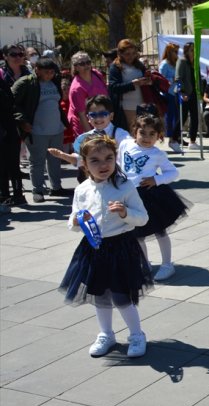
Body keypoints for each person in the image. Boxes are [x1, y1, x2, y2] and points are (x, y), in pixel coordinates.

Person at [59, 136, 152, 358]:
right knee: (99, 295)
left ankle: (137, 335)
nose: (103, 165)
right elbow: (74, 216)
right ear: (84, 163)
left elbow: (143, 218)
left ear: (115, 158)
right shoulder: (82, 190)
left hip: (121, 248)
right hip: (93, 249)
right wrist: (73, 221)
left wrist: (125, 213)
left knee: (121, 296)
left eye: (108, 158)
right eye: (95, 160)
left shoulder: (124, 186)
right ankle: (106, 334)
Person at [119, 115, 189, 281]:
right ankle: (144, 263)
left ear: (159, 136)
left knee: (160, 231)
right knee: (137, 233)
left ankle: (167, 265)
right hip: (129, 195)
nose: (147, 138)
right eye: (142, 133)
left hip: (149, 196)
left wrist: (156, 180)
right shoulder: (125, 144)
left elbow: (173, 172)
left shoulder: (157, 154)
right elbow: (119, 163)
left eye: (152, 134)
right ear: (135, 132)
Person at [11, 57, 70, 203]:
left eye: (52, 72)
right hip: (36, 130)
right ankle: (38, 190)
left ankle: (56, 187)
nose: (50, 74)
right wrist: (23, 121)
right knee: (37, 161)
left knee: (56, 159)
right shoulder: (26, 83)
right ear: (37, 70)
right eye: (46, 72)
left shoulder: (54, 81)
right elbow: (12, 103)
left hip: (56, 128)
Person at [50, 95, 132, 171]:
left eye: (102, 114)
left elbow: (132, 149)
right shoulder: (84, 137)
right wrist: (62, 155)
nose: (98, 118)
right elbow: (80, 160)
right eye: (93, 115)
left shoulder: (120, 134)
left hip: (117, 176)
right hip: (95, 179)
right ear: (88, 118)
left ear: (111, 116)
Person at [108, 39, 150, 135]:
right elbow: (114, 87)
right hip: (126, 106)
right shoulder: (115, 67)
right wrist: (133, 84)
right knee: (132, 134)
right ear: (120, 53)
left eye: (133, 53)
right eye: (127, 54)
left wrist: (148, 81)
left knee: (142, 132)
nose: (131, 56)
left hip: (142, 104)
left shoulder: (139, 65)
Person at [68, 51, 109, 138]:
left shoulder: (96, 74)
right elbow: (82, 114)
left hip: (100, 117)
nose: (86, 65)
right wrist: (91, 135)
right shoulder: (77, 88)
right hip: (84, 123)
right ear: (76, 67)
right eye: (82, 63)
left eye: (88, 62)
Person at [1, 77, 25, 206]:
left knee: (11, 165)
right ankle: (5, 195)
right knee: (5, 166)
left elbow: (10, 104)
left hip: (8, 130)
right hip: (8, 130)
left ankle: (16, 194)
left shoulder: (3, 86)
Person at [174, 42, 201, 151]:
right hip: (184, 93)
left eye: (194, 50)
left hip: (193, 92)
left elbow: (198, 77)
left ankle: (192, 141)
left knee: (195, 117)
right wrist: (182, 92)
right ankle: (173, 139)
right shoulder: (182, 61)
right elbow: (178, 78)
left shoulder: (195, 63)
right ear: (186, 51)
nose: (193, 52)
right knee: (183, 117)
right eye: (191, 50)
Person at [159, 43, 181, 151]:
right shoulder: (164, 64)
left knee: (177, 116)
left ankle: (176, 137)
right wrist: (172, 79)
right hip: (168, 93)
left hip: (176, 92)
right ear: (169, 52)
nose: (176, 54)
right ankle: (171, 138)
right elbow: (160, 80)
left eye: (177, 52)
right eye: (174, 52)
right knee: (171, 117)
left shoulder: (176, 63)